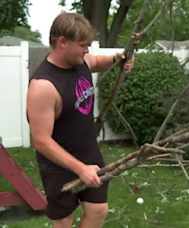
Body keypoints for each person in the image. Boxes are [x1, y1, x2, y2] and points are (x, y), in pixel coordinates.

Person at [27, 12, 135, 228]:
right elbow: (41, 141)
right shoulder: (43, 86)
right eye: (83, 45)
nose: (87, 50)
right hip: (58, 164)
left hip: (88, 151)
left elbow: (95, 62)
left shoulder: (80, 60)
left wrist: (116, 59)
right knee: (64, 220)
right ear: (62, 42)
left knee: (98, 210)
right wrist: (80, 169)